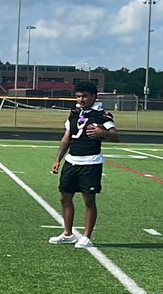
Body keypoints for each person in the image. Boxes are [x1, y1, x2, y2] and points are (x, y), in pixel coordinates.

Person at [48, 81, 118, 249]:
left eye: (85, 96)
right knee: (64, 197)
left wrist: (103, 133)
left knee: (88, 200)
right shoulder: (74, 114)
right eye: (78, 96)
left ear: (94, 97)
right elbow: (66, 138)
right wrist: (58, 159)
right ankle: (68, 233)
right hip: (72, 161)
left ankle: (87, 236)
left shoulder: (102, 115)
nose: (81, 99)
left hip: (90, 162)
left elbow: (115, 135)